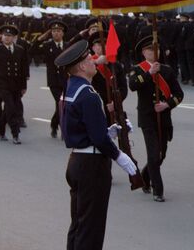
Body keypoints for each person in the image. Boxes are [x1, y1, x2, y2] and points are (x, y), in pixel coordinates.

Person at [55, 40, 138, 250]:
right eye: (88, 58)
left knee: (79, 223)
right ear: (82, 66)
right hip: (91, 165)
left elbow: (77, 128)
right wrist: (119, 155)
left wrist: (109, 130)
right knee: (91, 228)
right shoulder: (88, 94)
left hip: (77, 160)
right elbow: (99, 140)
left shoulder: (70, 90)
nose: (93, 60)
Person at [128, 35, 184, 202]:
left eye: (156, 49)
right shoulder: (138, 69)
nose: (154, 52)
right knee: (153, 154)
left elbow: (179, 94)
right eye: (150, 50)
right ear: (144, 52)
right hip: (147, 118)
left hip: (164, 118)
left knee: (161, 154)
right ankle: (157, 190)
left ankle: (145, 177)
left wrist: (167, 105)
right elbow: (132, 85)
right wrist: (149, 73)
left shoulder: (167, 70)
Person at [30, 20, 68, 138]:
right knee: (60, 103)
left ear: (62, 33)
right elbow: (32, 51)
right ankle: (63, 129)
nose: (56, 33)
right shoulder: (47, 45)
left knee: (63, 104)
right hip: (54, 81)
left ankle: (54, 123)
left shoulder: (67, 46)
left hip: (66, 80)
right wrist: (39, 39)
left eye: (58, 31)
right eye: (53, 31)